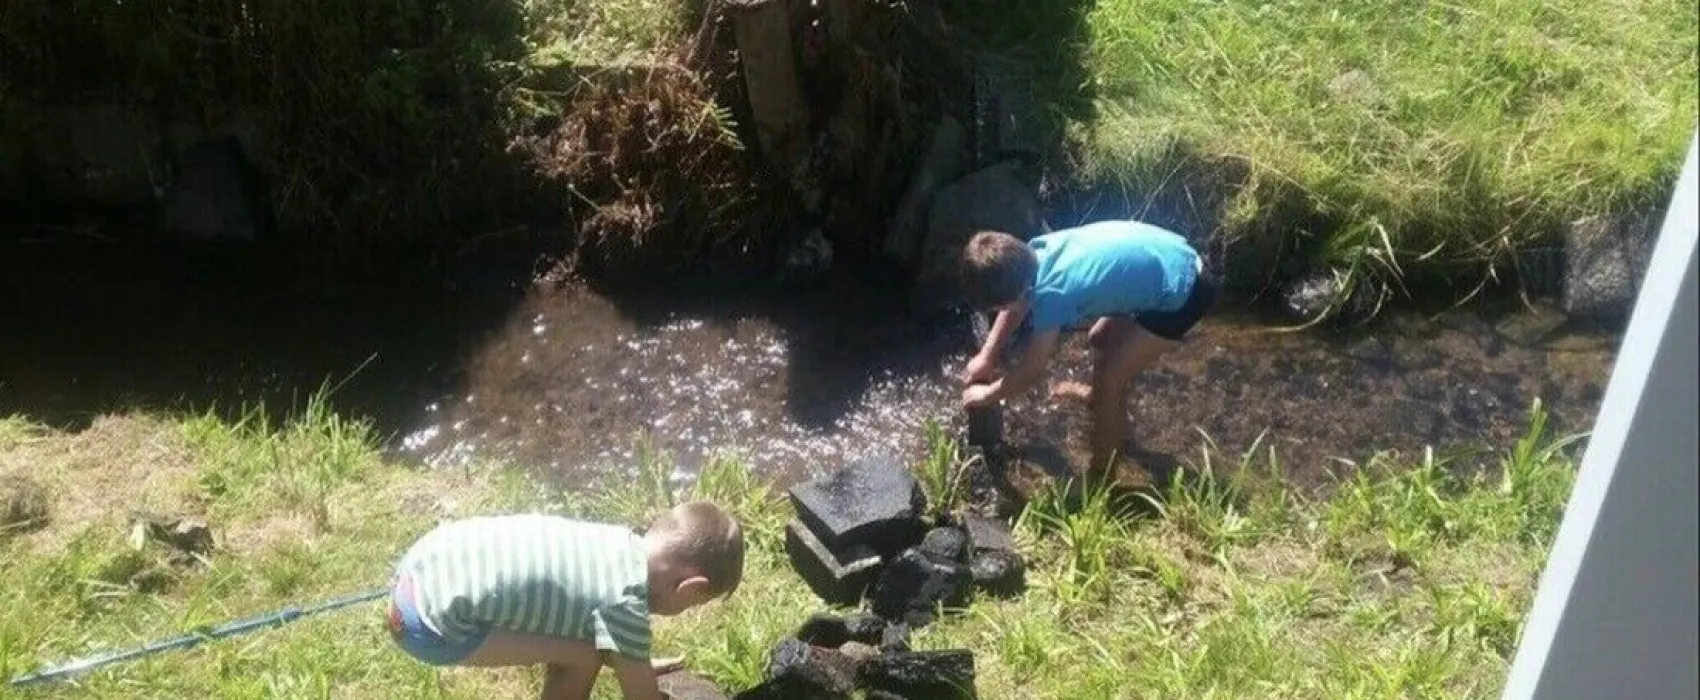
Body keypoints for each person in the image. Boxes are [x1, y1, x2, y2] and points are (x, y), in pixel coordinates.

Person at [385, 501, 745, 700]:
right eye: (694, 604)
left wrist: (631, 661)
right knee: (586, 653)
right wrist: (636, 671)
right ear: (689, 587)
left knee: (585, 638)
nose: (687, 610)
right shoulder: (624, 603)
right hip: (428, 627)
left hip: (419, 569)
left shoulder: (614, 541)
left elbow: (607, 632)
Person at [959, 219, 1217, 482]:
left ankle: (1102, 475)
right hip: (1169, 258)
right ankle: (1101, 404)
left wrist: (987, 395)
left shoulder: (1052, 292)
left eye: (1000, 308)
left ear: (1012, 298)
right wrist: (987, 355)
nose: (1002, 312)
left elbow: (1031, 371)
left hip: (1185, 291)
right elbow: (1016, 306)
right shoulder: (1035, 252)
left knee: (1111, 380)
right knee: (1099, 338)